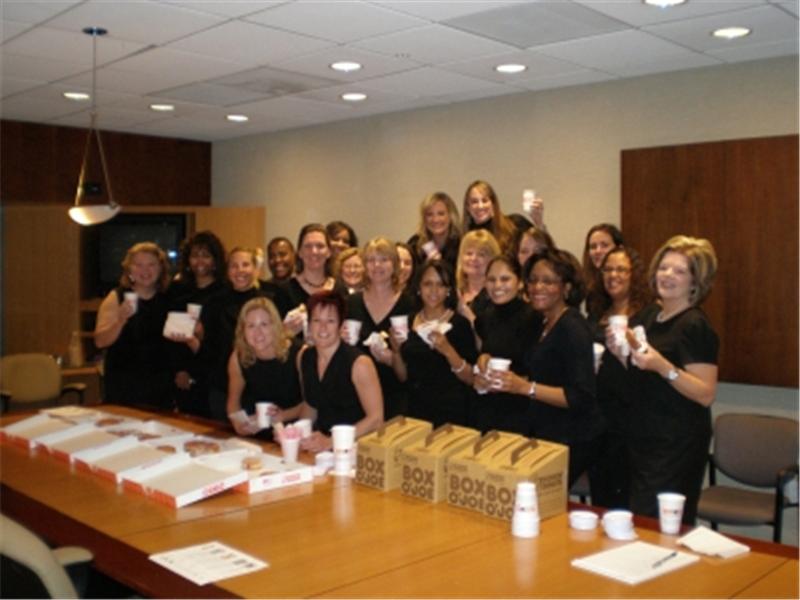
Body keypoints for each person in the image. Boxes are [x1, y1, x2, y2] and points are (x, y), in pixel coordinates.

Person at [607, 235, 718, 525]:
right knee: (642, 520)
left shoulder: (694, 325)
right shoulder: (651, 315)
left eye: (680, 271)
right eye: (664, 268)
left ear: (696, 282)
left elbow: (705, 393)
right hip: (644, 435)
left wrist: (663, 366)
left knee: (660, 525)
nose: (667, 275)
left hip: (675, 443)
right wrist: (619, 353)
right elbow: (642, 369)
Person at [586, 245, 652, 508]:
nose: (613, 275)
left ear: (634, 275)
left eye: (621, 269)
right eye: (608, 269)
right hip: (599, 417)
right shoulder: (597, 314)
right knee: (601, 496)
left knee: (627, 501)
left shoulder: (646, 316)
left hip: (631, 419)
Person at [277, 291, 383, 452]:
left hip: (357, 448)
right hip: (322, 446)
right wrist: (295, 434)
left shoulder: (360, 364)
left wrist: (331, 441)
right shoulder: (304, 357)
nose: (323, 327)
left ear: (341, 325)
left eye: (331, 321)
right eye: (317, 320)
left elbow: (376, 419)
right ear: (309, 324)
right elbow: (311, 405)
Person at [390, 260, 477, 427]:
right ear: (418, 288)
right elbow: (403, 377)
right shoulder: (407, 321)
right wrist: (395, 351)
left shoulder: (459, 324)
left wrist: (448, 350)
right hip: (415, 410)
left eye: (441, 285)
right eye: (428, 284)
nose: (434, 291)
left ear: (449, 290)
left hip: (451, 412)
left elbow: (470, 378)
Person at [200, 247, 281, 421]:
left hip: (262, 383)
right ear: (228, 271)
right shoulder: (214, 303)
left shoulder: (270, 298)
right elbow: (208, 346)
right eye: (234, 266)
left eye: (245, 265)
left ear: (255, 268)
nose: (240, 271)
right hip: (223, 385)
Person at [94, 242, 172, 409]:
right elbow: (100, 341)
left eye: (151, 265)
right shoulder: (116, 297)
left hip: (160, 386)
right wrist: (120, 320)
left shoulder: (169, 298)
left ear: (160, 269)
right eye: (139, 265)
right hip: (124, 385)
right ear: (129, 270)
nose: (145, 270)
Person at [471, 256, 541, 435]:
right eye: (492, 279)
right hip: (489, 408)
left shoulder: (534, 317)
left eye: (505, 279)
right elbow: (484, 356)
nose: (497, 286)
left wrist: (520, 382)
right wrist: (480, 368)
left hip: (523, 410)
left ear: (520, 283)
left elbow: (542, 372)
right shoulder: (484, 318)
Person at [346, 237, 415, 419]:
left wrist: (393, 358)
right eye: (371, 260)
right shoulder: (352, 302)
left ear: (394, 264)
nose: (377, 265)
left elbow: (416, 356)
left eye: (384, 259)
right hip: (357, 393)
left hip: (396, 393)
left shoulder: (409, 303)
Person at [166, 231, 227, 417]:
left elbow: (224, 342)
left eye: (206, 256)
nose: (199, 261)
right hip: (183, 374)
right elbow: (171, 337)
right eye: (194, 255)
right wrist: (180, 369)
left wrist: (201, 335)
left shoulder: (225, 292)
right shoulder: (178, 290)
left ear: (215, 261)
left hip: (214, 377)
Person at [226, 297, 300, 436]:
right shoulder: (238, 357)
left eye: (264, 324)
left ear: (275, 326)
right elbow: (233, 403)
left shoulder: (299, 354)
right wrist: (238, 424)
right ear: (243, 331)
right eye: (251, 326)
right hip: (256, 435)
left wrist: (282, 416)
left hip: (294, 434)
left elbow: (311, 405)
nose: (257, 332)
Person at [284, 224, 336, 336]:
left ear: (329, 252)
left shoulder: (340, 290)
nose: (314, 251)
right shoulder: (285, 291)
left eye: (320, 246)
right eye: (308, 246)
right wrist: (285, 333)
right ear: (300, 253)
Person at [462, 180, 521, 256]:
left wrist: (538, 221)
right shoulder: (464, 238)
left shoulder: (515, 225)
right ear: (468, 207)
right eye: (474, 202)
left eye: (485, 200)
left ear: (493, 204)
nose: (480, 206)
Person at [455, 229, 501, 325]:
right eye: (469, 253)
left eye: (481, 254)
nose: (473, 258)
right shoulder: (454, 292)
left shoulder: (497, 295)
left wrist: (464, 310)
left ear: (493, 260)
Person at [407, 192, 461, 272]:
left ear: (451, 216)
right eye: (429, 215)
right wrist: (426, 267)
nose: (435, 220)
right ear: (424, 219)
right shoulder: (414, 244)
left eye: (441, 214)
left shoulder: (461, 243)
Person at [582, 224, 624, 314]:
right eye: (593, 247)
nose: (598, 251)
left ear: (620, 249)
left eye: (604, 245)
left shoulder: (626, 285)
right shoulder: (592, 289)